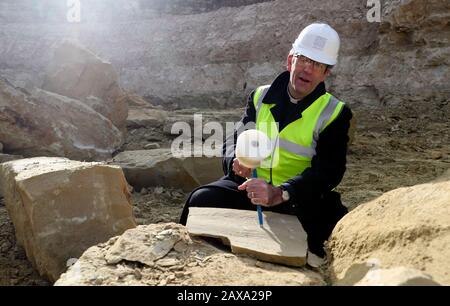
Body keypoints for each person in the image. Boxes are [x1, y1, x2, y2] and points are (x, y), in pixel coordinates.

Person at [179, 23, 352, 265]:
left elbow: (329, 171)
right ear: (290, 60)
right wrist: (235, 162)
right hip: (250, 189)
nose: (308, 69)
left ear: (326, 73)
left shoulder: (334, 113)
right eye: (304, 59)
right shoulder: (260, 96)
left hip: (298, 197)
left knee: (332, 227)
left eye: (318, 64)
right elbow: (235, 138)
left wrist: (281, 192)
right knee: (201, 199)